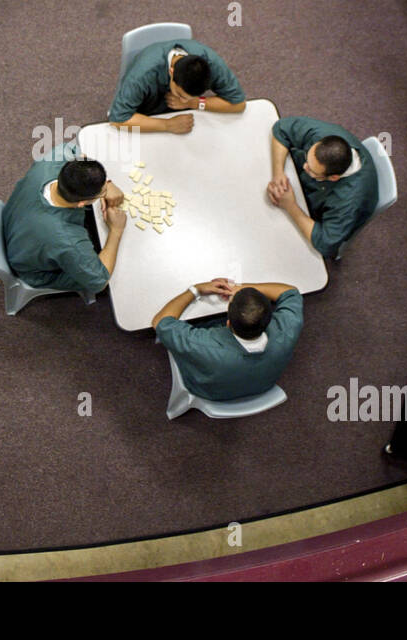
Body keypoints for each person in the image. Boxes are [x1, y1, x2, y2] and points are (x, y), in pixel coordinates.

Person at [2, 143, 127, 296]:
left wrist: (106, 182)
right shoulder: (68, 240)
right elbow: (99, 280)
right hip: (32, 268)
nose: (105, 194)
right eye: (101, 194)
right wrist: (116, 231)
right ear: (82, 203)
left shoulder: (53, 159)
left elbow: (76, 149)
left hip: (18, 224)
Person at [151, 280, 303, 401]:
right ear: (269, 320)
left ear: (228, 322)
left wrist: (196, 290)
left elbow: (160, 322)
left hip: (211, 393)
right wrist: (242, 289)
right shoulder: (288, 327)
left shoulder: (200, 344)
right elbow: (289, 292)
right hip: (264, 385)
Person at [267, 115, 379, 259]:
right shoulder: (323, 134)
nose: (304, 166)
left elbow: (326, 243)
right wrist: (278, 173)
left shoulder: (349, 201)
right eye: (307, 158)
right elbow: (282, 129)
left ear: (333, 178)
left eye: (311, 170)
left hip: (319, 212)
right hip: (304, 190)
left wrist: (291, 206)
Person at [108, 38, 245, 134]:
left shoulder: (212, 64)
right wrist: (167, 125)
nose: (183, 101)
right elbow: (118, 119)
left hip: (185, 117)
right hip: (147, 115)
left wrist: (196, 103)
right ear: (171, 72)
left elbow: (238, 103)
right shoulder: (142, 75)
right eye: (180, 95)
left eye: (189, 98)